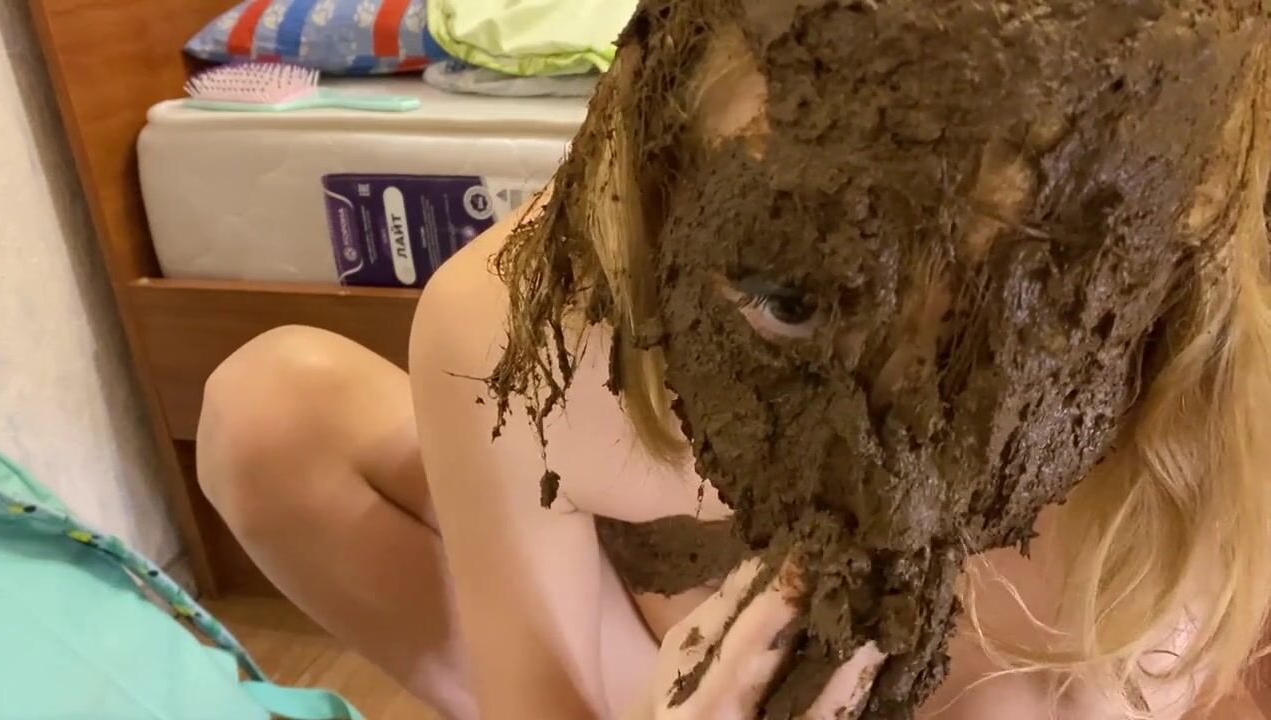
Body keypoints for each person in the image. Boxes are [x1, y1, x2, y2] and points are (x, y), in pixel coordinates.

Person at [197, 1, 1271, 718]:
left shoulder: (1196, 376)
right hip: (663, 661)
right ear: (664, 172)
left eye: (1029, 327)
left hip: (1032, 647)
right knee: (269, 411)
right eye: (793, 302)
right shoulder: (518, 340)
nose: (890, 472)